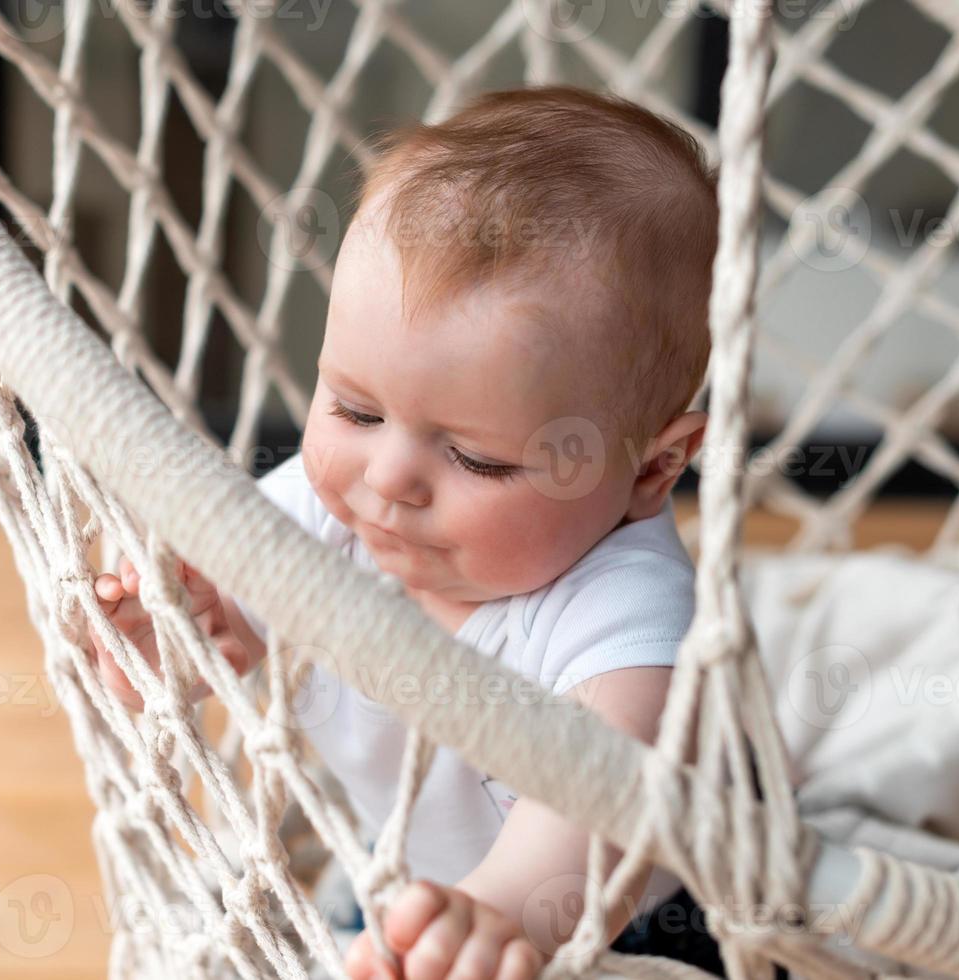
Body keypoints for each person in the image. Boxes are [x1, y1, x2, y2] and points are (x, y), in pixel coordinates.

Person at [90, 85, 721, 979]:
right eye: (352, 409)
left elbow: (611, 802)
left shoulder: (626, 606)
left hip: (622, 926)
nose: (386, 481)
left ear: (651, 470)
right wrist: (176, 631)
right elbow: (223, 608)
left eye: (477, 460)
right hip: (398, 872)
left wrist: (501, 914)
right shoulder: (331, 506)